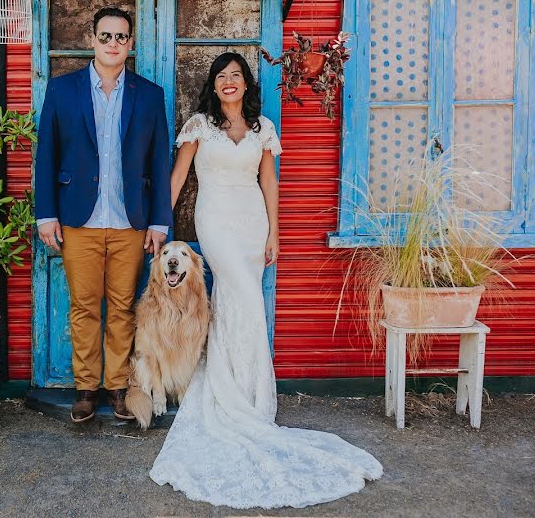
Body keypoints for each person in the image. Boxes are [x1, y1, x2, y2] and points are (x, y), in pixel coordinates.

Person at [149, 52, 383, 508]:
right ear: (214, 87)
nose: (229, 82)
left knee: (242, 305)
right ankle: (228, 395)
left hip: (252, 225)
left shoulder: (262, 129)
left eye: (236, 75)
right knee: (246, 302)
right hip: (214, 222)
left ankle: (248, 393)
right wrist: (160, 225)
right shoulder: (199, 126)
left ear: (245, 84)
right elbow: (177, 179)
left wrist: (274, 231)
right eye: (222, 77)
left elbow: (269, 183)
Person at [34, 7, 172, 424]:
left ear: (130, 44)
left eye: (121, 37)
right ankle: (85, 389)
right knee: (84, 306)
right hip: (79, 220)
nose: (114, 43)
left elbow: (159, 159)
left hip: (131, 220)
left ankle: (117, 387)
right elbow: (47, 156)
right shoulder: (62, 91)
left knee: (123, 307)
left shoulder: (150, 95)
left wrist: (159, 221)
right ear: (92, 40)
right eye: (106, 36)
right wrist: (45, 215)